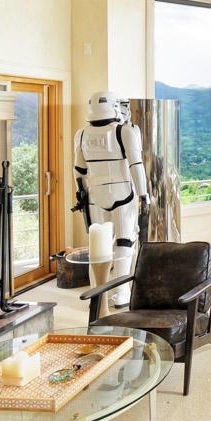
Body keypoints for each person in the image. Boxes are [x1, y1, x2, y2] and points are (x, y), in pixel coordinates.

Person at [73, 91, 149, 308]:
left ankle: (98, 292)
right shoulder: (124, 131)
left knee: (98, 246)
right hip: (123, 193)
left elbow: (78, 170)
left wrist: (82, 194)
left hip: (94, 195)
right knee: (125, 242)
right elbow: (136, 165)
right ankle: (121, 291)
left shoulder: (81, 134)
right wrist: (144, 195)